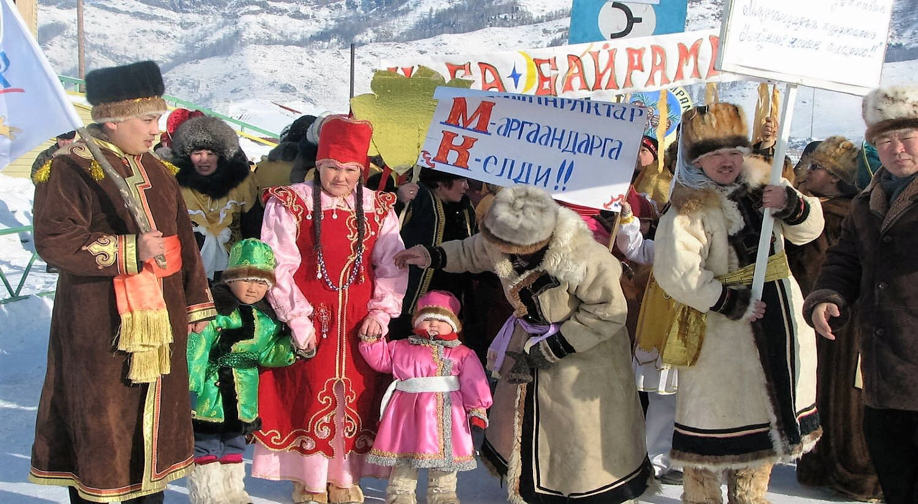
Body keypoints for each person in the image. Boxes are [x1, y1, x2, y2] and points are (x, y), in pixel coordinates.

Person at [28, 61, 216, 504]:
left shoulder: (158, 171)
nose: (157, 130)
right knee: (105, 424)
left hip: (161, 322)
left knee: (155, 427)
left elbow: (184, 245)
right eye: (149, 120)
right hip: (101, 325)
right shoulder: (70, 167)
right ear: (112, 119)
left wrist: (195, 303)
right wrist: (128, 250)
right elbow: (54, 238)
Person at [395, 185, 653, 504]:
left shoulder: (586, 257)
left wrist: (557, 346)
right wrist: (431, 255)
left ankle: (580, 492)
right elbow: (473, 251)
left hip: (586, 355)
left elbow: (609, 310)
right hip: (529, 346)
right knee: (523, 424)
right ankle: (530, 488)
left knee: (577, 432)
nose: (506, 251)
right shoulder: (501, 238)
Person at [653, 103, 824, 504]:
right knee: (713, 429)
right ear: (697, 160)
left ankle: (752, 497)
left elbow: (808, 232)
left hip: (781, 317)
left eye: (732, 152)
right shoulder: (688, 208)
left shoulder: (765, 186)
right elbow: (676, 271)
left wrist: (792, 204)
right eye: (714, 155)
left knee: (767, 424)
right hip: (723, 336)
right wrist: (728, 301)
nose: (726, 162)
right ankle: (703, 498)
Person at [252, 115, 408, 504]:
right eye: (333, 168)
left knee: (356, 398)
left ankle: (344, 481)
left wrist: (381, 311)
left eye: (350, 170)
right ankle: (309, 485)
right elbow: (277, 263)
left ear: (362, 170)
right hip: (310, 317)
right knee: (307, 395)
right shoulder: (291, 202)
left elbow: (391, 262)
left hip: (358, 320)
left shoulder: (378, 208)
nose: (341, 177)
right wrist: (295, 316)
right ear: (318, 165)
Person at [805, 85, 918, 504]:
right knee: (895, 479)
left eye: (905, 136)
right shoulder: (867, 201)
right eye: (884, 140)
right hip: (883, 373)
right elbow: (844, 259)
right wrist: (827, 295)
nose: (896, 148)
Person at [788, 138, 882, 501]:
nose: (808, 172)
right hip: (819, 310)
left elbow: (822, 263)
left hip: (847, 315)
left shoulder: (840, 214)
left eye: (817, 167)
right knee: (817, 388)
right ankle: (820, 462)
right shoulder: (818, 208)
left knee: (848, 393)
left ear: (837, 177)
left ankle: (856, 469)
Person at [186, 238, 297, 504]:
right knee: (207, 443)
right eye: (246, 279)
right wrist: (190, 387)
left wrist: (293, 346)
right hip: (210, 388)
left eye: (261, 282)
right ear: (231, 279)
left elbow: (268, 352)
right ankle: (209, 494)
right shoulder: (214, 311)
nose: (253, 288)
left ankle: (233, 491)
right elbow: (196, 350)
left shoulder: (266, 318)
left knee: (235, 443)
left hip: (244, 389)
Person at [359, 290, 492, 504]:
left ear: (454, 325)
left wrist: (477, 409)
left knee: (446, 456)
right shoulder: (401, 347)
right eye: (427, 319)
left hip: (449, 413)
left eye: (440, 320)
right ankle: (400, 493)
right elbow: (381, 360)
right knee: (404, 454)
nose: (433, 324)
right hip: (407, 412)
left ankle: (443, 493)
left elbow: (474, 382)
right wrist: (371, 341)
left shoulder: (462, 353)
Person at [389, 169, 477, 347]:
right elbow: (385, 227)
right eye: (461, 180)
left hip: (453, 294)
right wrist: (397, 200)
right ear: (440, 182)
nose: (466, 186)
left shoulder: (466, 207)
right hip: (413, 294)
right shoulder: (417, 198)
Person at [169, 115, 260, 280]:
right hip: (184, 267)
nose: (204, 159)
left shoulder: (243, 183)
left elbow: (253, 229)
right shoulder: (173, 180)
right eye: (197, 153)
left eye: (211, 153)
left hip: (232, 268)